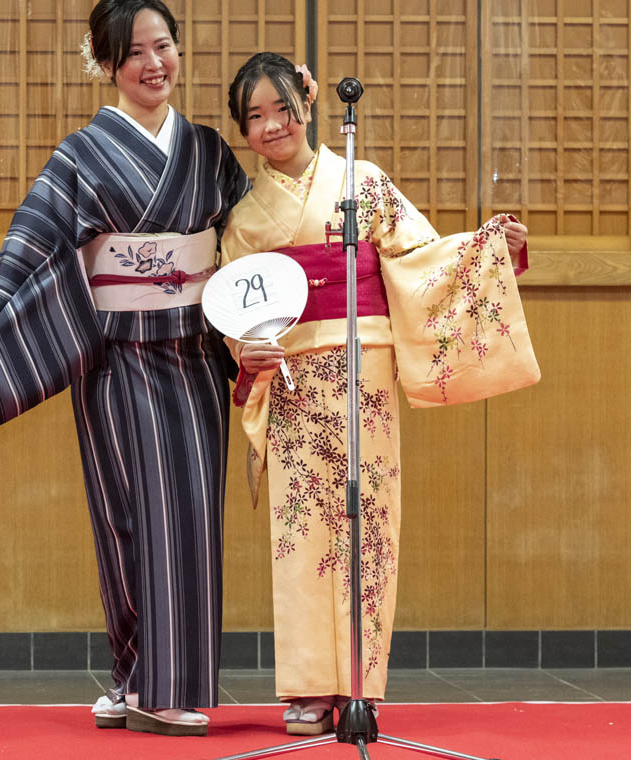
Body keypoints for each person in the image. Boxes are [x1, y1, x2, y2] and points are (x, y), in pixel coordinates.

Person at [0, 0, 250, 737]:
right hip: (114, 359)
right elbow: (28, 243)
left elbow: (254, 239)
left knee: (185, 518)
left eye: (164, 46)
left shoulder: (210, 153)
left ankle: (162, 685)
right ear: (108, 65)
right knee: (123, 519)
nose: (155, 64)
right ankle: (131, 671)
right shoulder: (80, 156)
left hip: (190, 356)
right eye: (136, 53)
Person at [220, 52, 540, 734]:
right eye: (255, 117)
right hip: (295, 381)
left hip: (366, 374)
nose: (272, 125)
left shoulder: (360, 182)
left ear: (306, 105)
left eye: (282, 108)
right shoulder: (245, 222)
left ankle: (360, 681)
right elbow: (234, 312)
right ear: (242, 130)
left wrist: (490, 250)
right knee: (303, 532)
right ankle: (308, 685)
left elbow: (424, 263)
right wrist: (246, 351)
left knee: (370, 527)